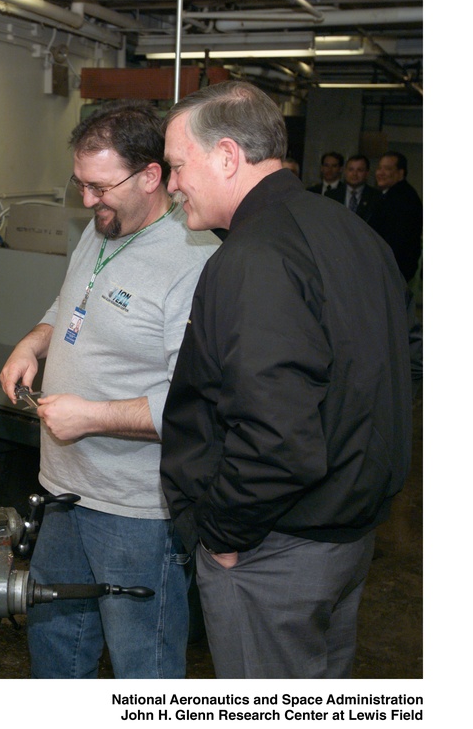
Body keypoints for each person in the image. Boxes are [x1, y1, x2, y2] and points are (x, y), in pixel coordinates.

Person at [160, 81, 413, 679]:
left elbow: (276, 437)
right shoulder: (353, 233)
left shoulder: (256, 256)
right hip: (345, 537)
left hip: (274, 549)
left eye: (175, 166)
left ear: (226, 156)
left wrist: (220, 534)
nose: (172, 185)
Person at [0, 99, 220, 678]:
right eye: (80, 185)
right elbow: (71, 303)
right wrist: (34, 343)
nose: (88, 201)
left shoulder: (196, 262)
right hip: (64, 490)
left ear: (152, 176)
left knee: (141, 664)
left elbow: (194, 403)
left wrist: (91, 417)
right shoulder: (103, 228)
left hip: (137, 512)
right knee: (56, 647)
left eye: (100, 187)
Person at [370, 151, 423, 283]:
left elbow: (395, 241)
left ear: (401, 173)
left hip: (392, 272)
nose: (380, 173)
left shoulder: (402, 199)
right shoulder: (392, 195)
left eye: (387, 169)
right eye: (379, 168)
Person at [340, 154, 380, 220]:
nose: (354, 174)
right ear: (345, 171)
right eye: (351, 169)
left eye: (359, 170)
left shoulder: (376, 197)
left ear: (367, 173)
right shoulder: (331, 195)